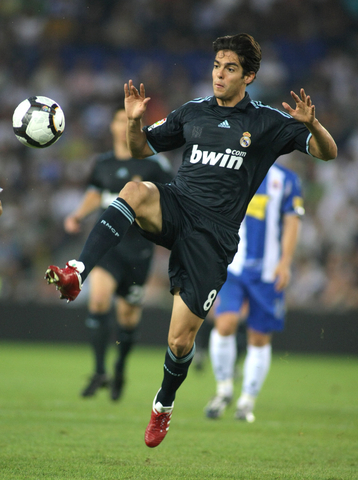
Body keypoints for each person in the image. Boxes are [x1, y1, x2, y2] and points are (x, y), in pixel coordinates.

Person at [45, 33, 337, 448]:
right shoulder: (193, 112)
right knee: (134, 189)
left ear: (249, 76)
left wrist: (313, 125)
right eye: (217, 65)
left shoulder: (268, 122)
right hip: (178, 204)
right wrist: (132, 120)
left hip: (213, 236)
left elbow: (328, 153)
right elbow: (141, 147)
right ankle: (77, 271)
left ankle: (163, 404)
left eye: (230, 67)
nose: (219, 73)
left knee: (180, 340)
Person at [63, 106, 173, 400]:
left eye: (129, 121)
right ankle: (99, 371)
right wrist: (78, 215)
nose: (123, 125)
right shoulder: (102, 164)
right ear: (111, 127)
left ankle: (120, 368)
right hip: (107, 248)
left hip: (139, 252)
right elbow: (94, 195)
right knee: (98, 300)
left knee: (127, 319)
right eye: (118, 120)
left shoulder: (154, 165)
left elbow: (173, 199)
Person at [204, 162, 304, 422]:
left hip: (268, 274)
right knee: (225, 323)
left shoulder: (286, 179)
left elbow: (292, 221)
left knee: (259, 338)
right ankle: (223, 390)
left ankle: (247, 401)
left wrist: (285, 262)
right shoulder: (234, 171)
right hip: (233, 268)